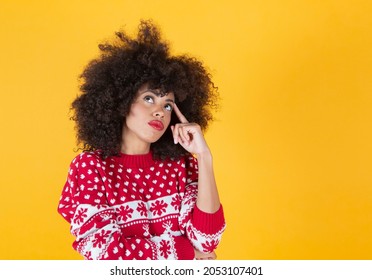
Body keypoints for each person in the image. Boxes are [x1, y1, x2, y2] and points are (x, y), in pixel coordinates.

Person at [57, 20, 226, 260]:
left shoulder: (182, 165)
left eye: (168, 105)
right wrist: (185, 252)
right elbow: (104, 251)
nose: (160, 111)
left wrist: (204, 158)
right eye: (149, 99)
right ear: (121, 102)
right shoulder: (90, 168)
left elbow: (207, 241)